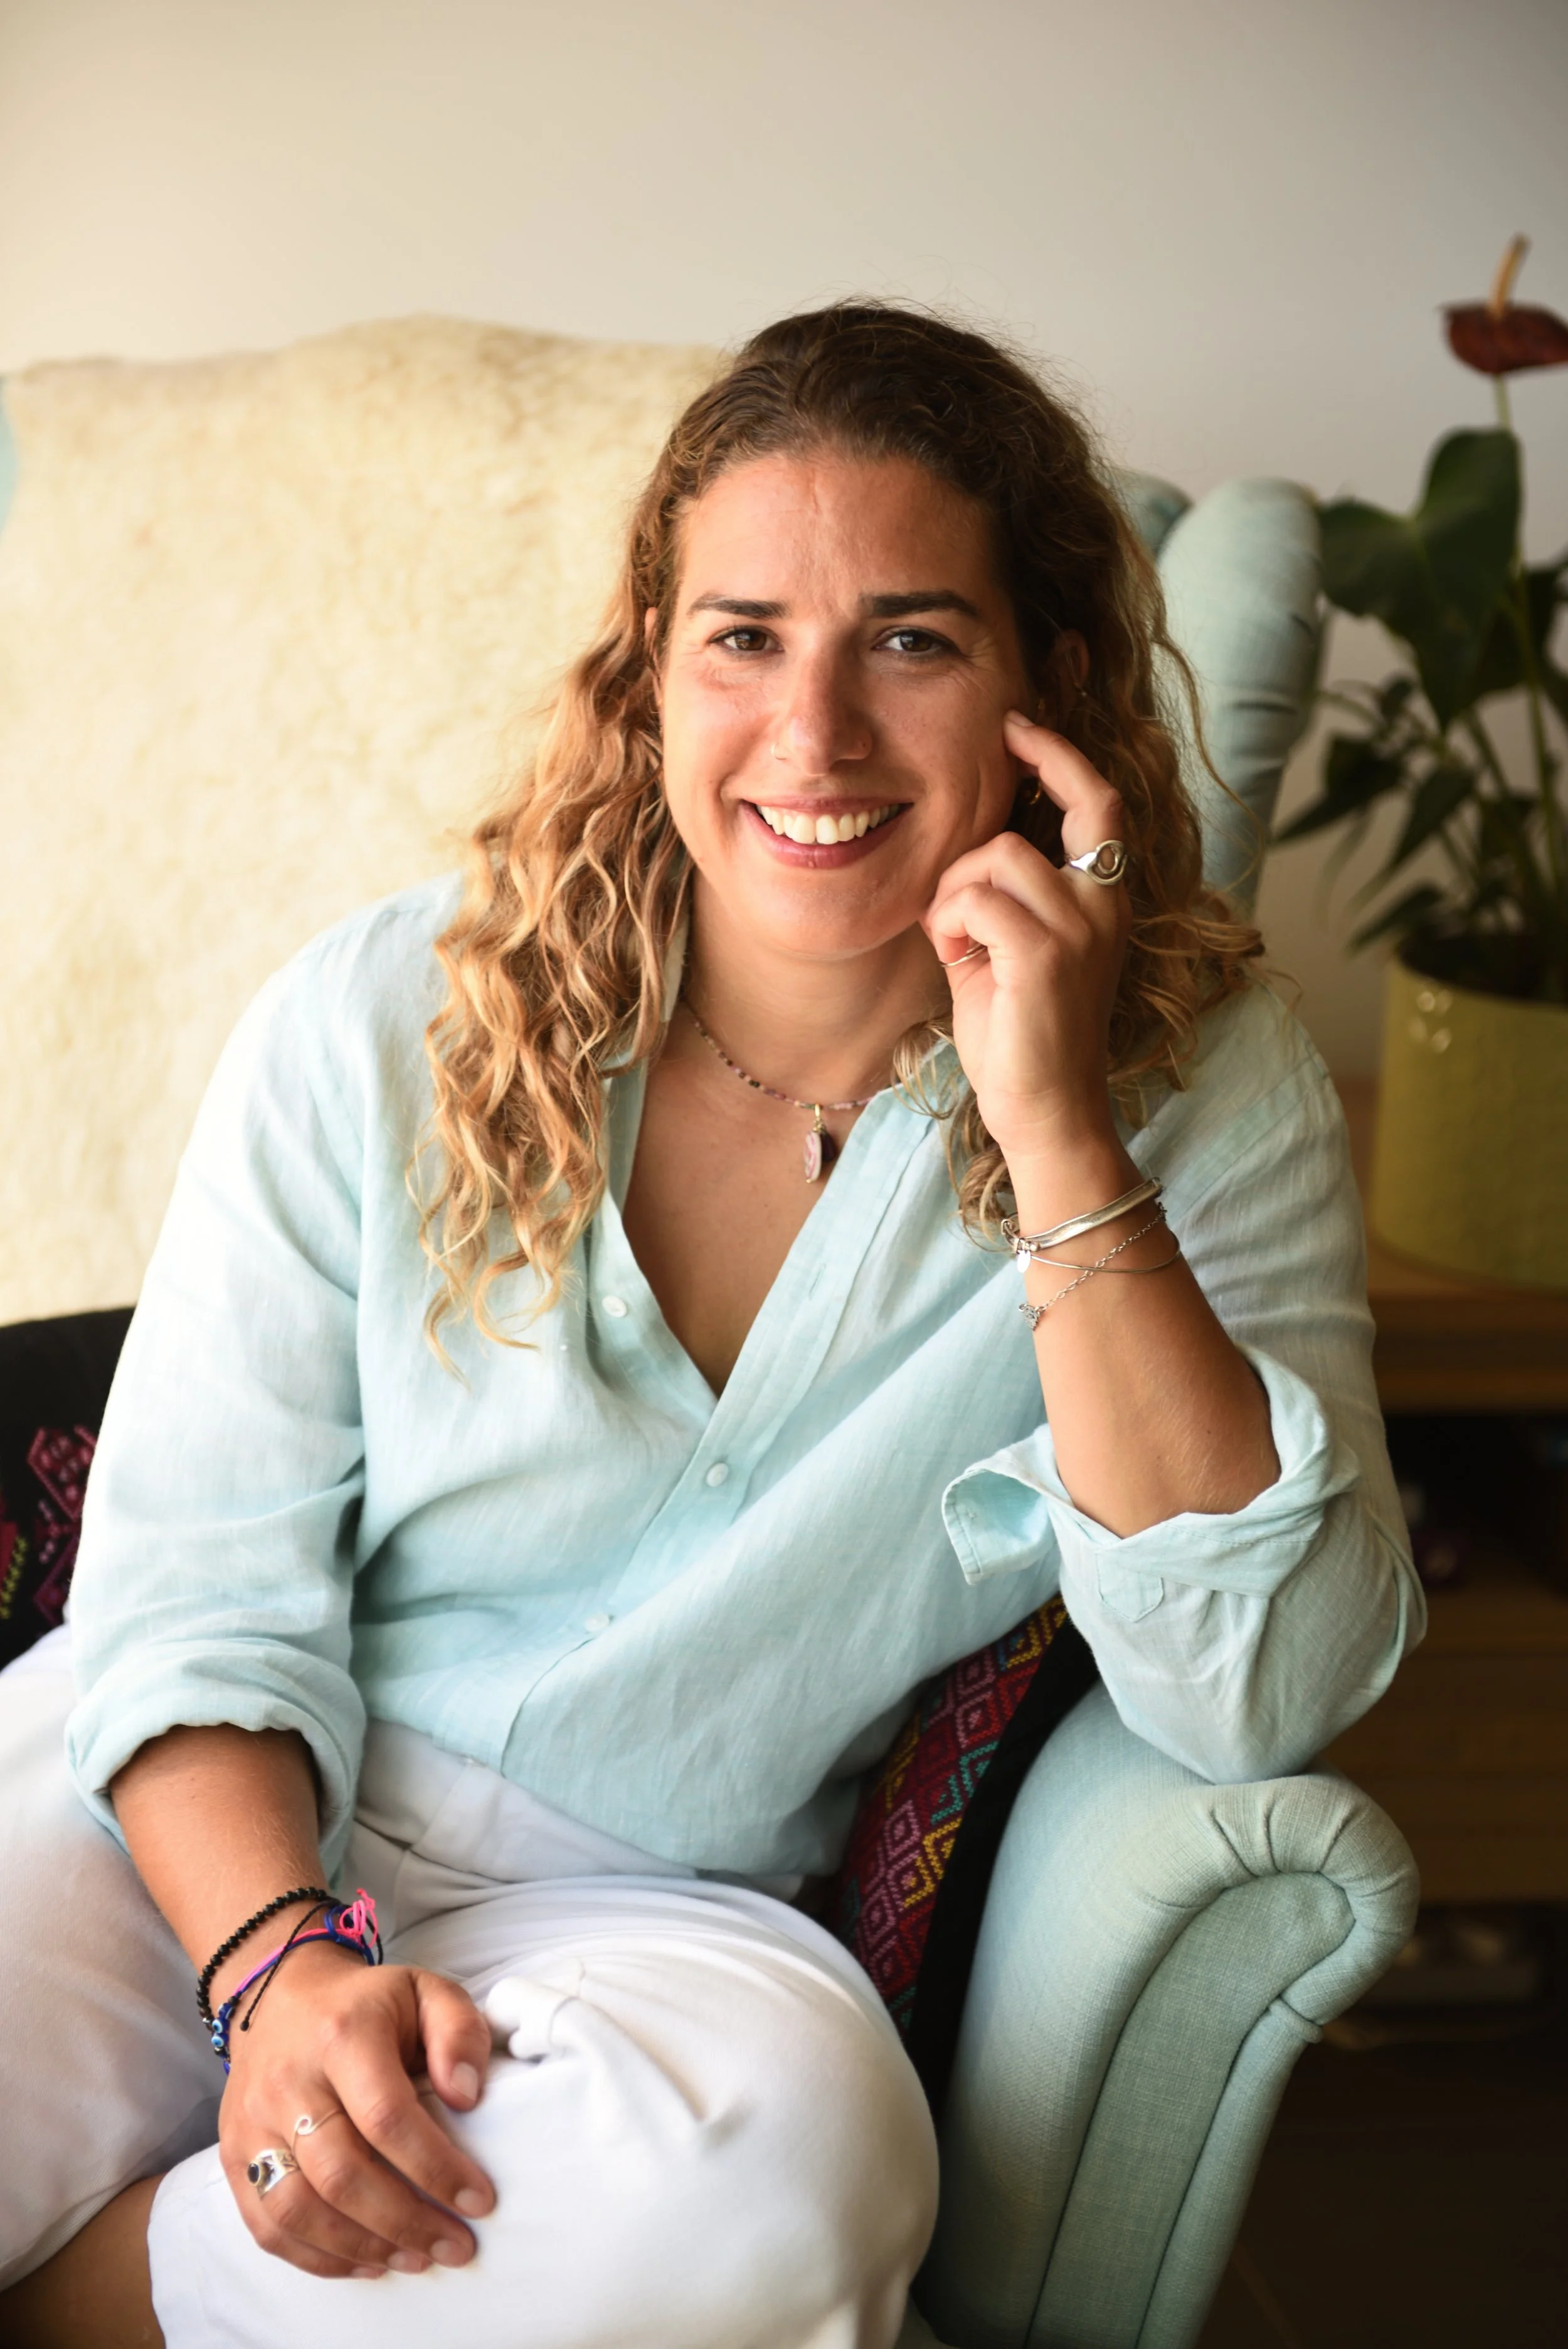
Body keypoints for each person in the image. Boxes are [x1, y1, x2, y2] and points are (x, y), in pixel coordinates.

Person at [0, 302, 1421, 2349]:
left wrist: (1054, 1123)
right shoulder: (378, 1016)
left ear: (1051, 688)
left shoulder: (1207, 1080)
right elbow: (192, 1585)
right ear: (650, 673)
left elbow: (1254, 1688)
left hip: (655, 1925)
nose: (816, 737)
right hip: (220, 1818)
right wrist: (276, 1970)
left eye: (913, 639)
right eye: (744, 637)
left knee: (782, 2200)